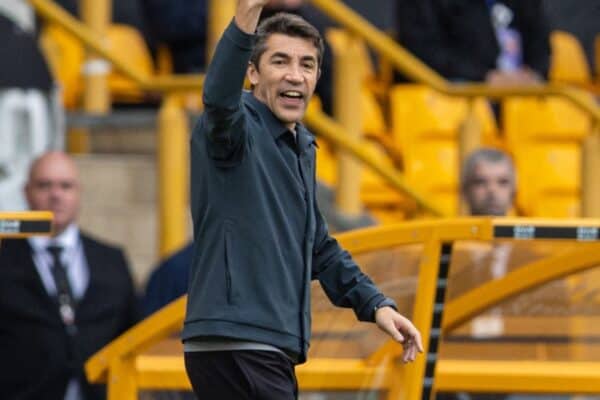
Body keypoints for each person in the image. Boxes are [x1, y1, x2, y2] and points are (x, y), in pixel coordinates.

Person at [182, 1, 423, 399]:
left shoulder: (299, 147)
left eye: (307, 65)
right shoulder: (234, 126)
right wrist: (247, 14)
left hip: (264, 345)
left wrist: (378, 306)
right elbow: (218, 98)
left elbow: (320, 250)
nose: (295, 75)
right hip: (240, 341)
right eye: (280, 62)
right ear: (252, 72)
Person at [0, 151, 139, 400]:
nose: (56, 195)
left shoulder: (111, 260)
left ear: (79, 192)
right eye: (45, 185)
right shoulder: (5, 256)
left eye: (66, 186)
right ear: (26, 191)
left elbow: (132, 331)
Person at [395, 0, 551, 85]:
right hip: (460, 90)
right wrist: (485, 77)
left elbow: (541, 45)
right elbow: (423, 50)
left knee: (558, 100)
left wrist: (531, 74)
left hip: (520, 89)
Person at [461, 147, 516, 216]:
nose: (492, 189)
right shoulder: (446, 227)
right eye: (481, 182)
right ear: (465, 190)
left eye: (502, 182)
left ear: (514, 192)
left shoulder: (530, 226)